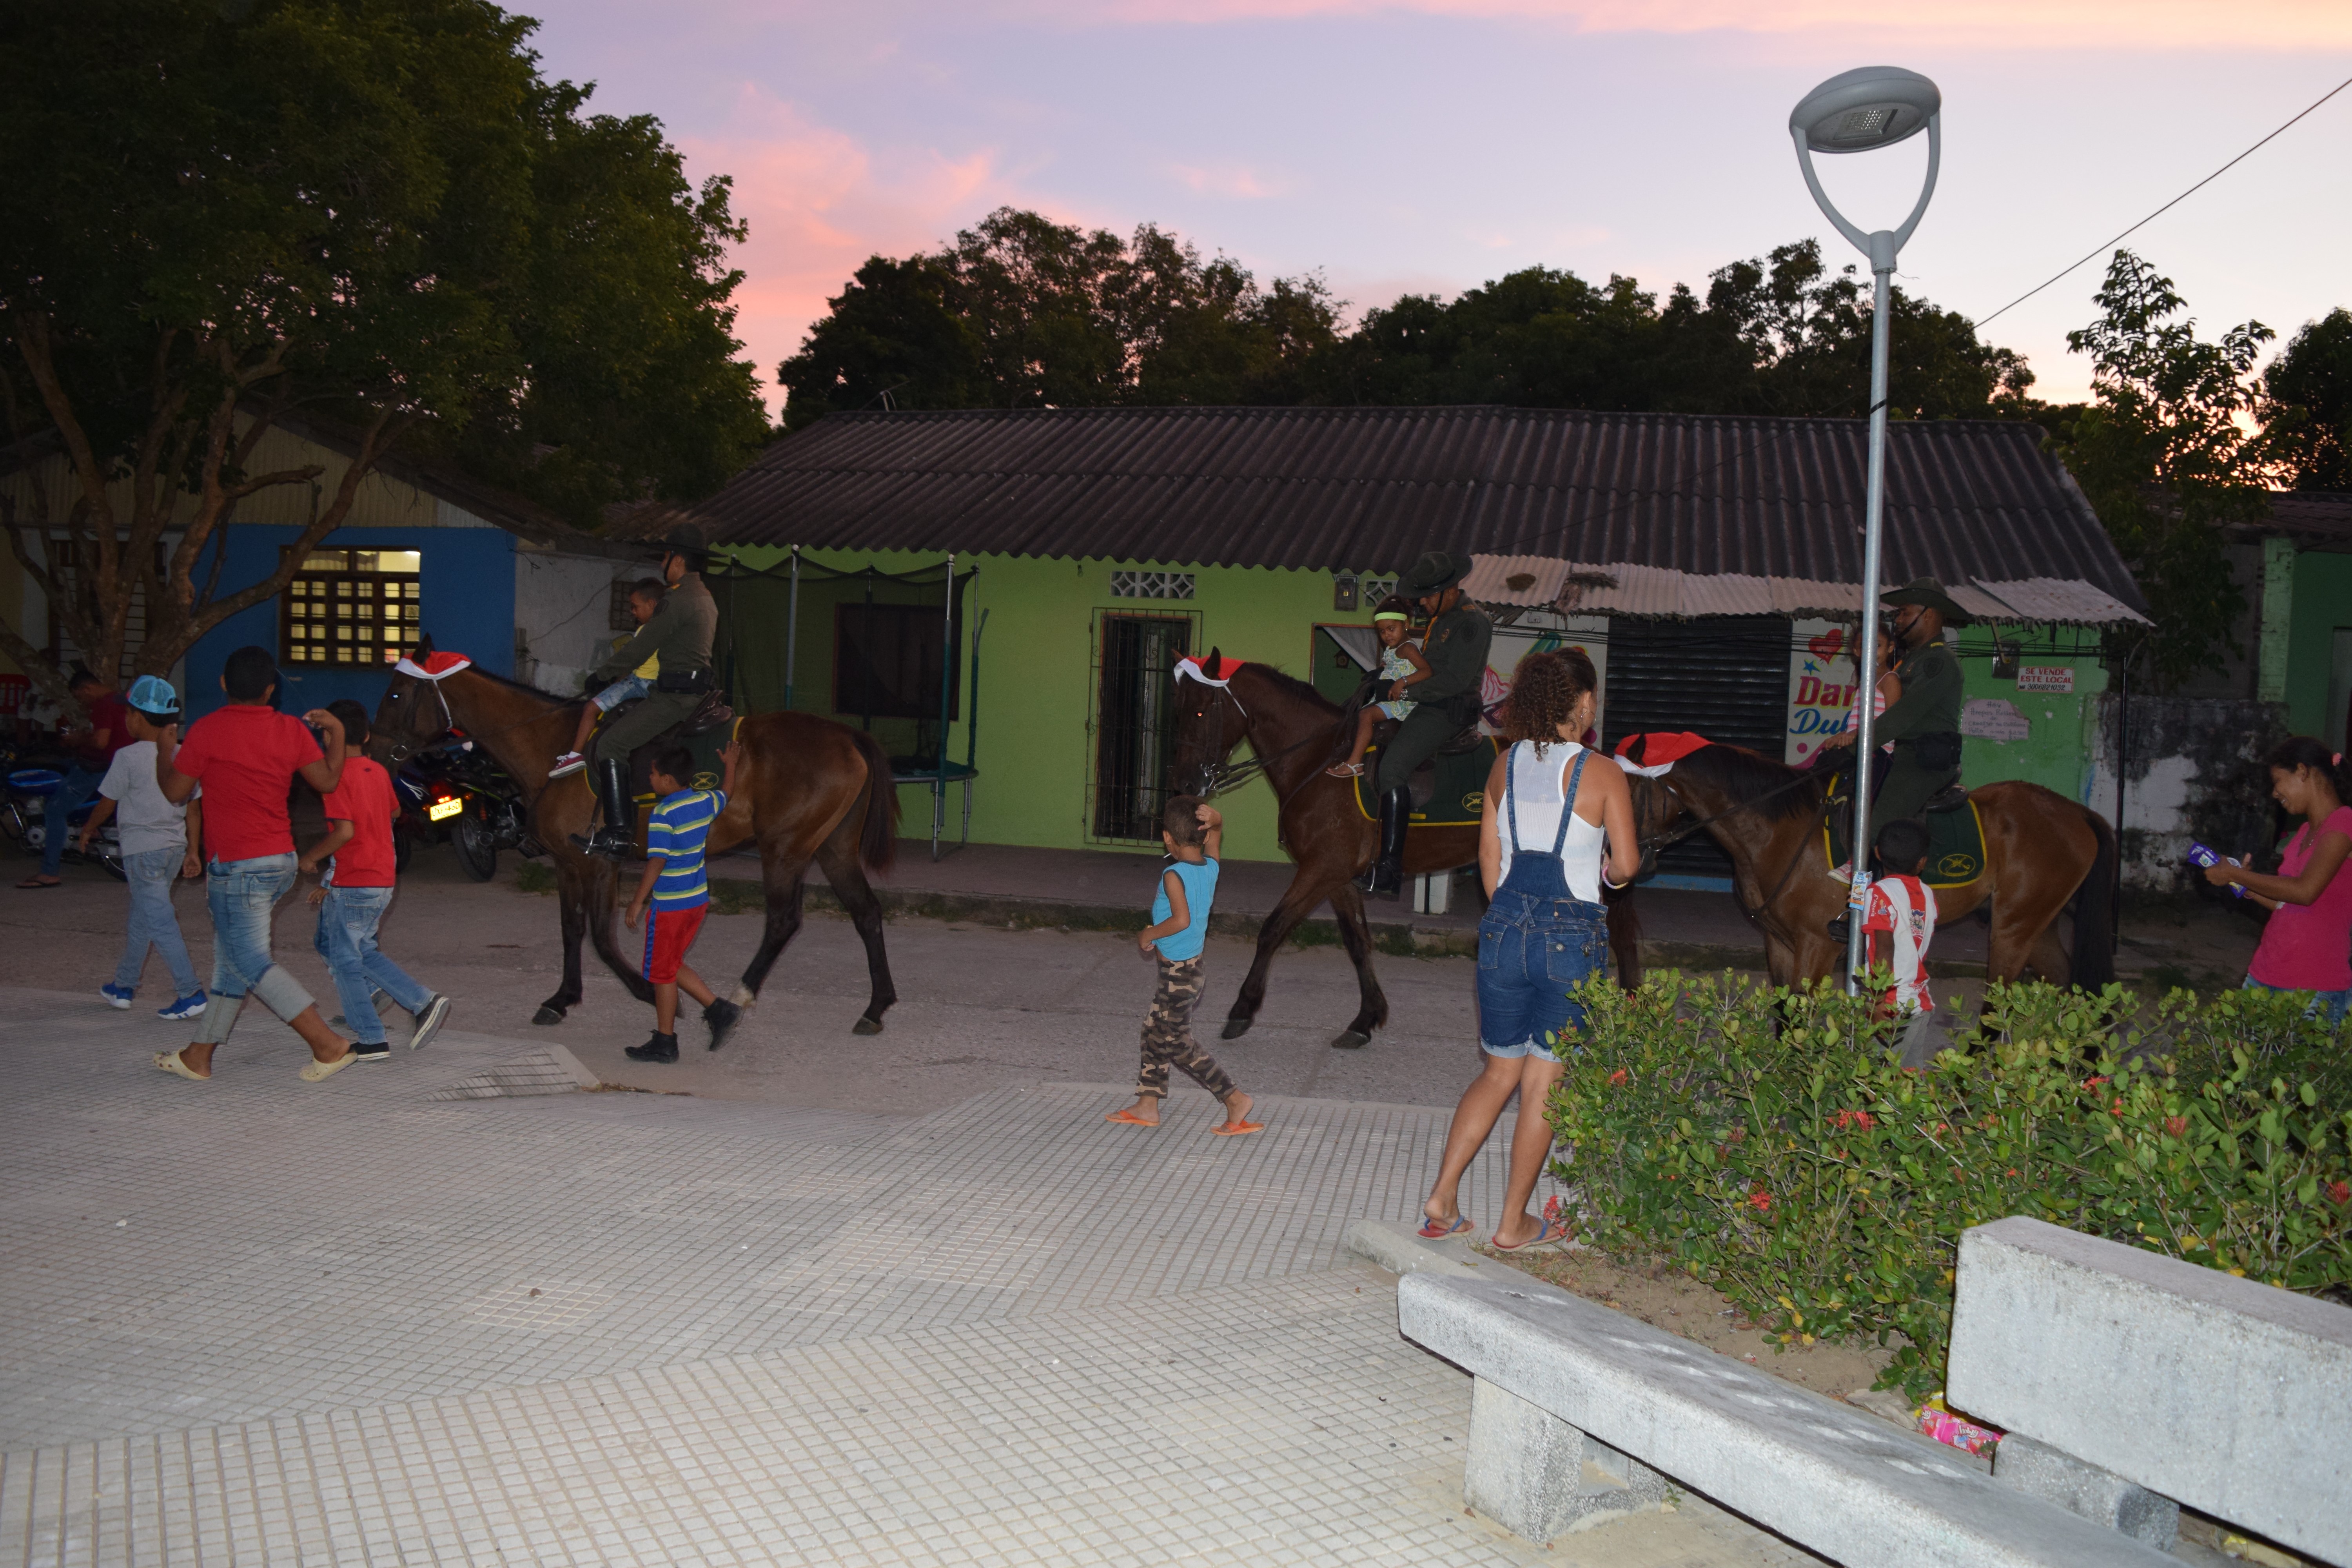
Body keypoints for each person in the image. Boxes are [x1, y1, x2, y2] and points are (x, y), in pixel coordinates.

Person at [1419, 649, 1637, 1250]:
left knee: (1497, 1072)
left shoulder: (1503, 765)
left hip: (1503, 929)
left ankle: (1443, 1197)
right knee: (1544, 1085)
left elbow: (1490, 864)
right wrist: (1606, 880)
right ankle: (1514, 1224)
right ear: (1585, 703)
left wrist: (1512, 918)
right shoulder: (1603, 773)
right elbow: (1626, 865)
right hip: (1571, 939)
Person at [151, 645, 360, 1083]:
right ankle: (198, 1056)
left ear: (225, 683)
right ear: (271, 689)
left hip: (237, 868)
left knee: (249, 961)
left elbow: (175, 792)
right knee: (231, 963)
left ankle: (328, 1043)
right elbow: (327, 779)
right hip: (280, 861)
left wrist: (164, 749)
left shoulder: (207, 731)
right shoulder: (289, 729)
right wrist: (338, 731)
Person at [299, 700, 453, 1062]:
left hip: (355, 880)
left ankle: (374, 1035)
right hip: (382, 878)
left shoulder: (335, 777)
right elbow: (395, 811)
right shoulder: (377, 771)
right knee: (355, 950)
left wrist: (310, 857)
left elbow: (343, 831)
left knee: (344, 960)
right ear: (367, 736)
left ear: (327, 738)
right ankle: (408, 1002)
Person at [1104, 797, 1262, 1135]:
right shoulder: (1211, 867)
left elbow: (1181, 920)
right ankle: (1148, 1105)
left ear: (1166, 838)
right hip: (1184, 973)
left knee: (1176, 1042)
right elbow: (1216, 834)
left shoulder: (1173, 875)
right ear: (1204, 836)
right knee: (1153, 1031)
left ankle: (1234, 1098)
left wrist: (1149, 933)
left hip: (1180, 974)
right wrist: (1217, 819)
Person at [579, 529, 720, 859]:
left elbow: (643, 646)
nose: (662, 564)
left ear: (679, 560)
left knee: (610, 743)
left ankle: (618, 833)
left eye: (664, 557)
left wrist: (601, 676)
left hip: (674, 698)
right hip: (699, 691)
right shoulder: (705, 597)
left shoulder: (678, 599)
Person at [74, 675, 207, 1019]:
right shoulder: (181, 754)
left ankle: (190, 992)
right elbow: (194, 807)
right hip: (173, 850)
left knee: (160, 921)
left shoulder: (128, 756)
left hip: (143, 851)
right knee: (143, 919)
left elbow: (108, 802)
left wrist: (89, 828)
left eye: (128, 713)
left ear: (136, 717)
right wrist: (193, 850)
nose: (126, 720)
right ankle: (124, 986)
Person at [1364, 550, 1493, 898]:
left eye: (1427, 595)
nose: (1421, 602)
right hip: (1427, 702)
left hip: (1445, 711)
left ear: (1450, 590)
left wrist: (1405, 689)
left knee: (1391, 770)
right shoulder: (1444, 616)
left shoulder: (1470, 622)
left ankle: (1390, 869)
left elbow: (1452, 680)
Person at [1821, 579, 1967, 882]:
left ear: (1927, 615)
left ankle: (1859, 912)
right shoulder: (1911, 660)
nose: (1898, 620)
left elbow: (1901, 717)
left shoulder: (1937, 662)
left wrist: (1853, 748)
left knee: (1875, 829)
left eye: (1903, 613)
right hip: (1899, 753)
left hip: (1922, 760)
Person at [2203, 739, 2352, 1026]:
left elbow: (2306, 892)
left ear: (2302, 772)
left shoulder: (2344, 823)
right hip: (2266, 973)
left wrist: (2237, 875)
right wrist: (2241, 885)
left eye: (2278, 781)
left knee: (2299, 1072)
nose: (2275, 793)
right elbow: (2286, 903)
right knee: (2249, 1070)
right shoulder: (2306, 831)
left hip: (2315, 987)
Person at [622, 742, 744, 1062]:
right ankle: (720, 1011)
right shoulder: (705, 800)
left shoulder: (662, 814)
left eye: (652, 774)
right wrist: (730, 763)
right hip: (697, 901)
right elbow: (727, 792)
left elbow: (656, 862)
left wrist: (638, 901)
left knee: (662, 972)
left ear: (666, 780)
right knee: (672, 963)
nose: (649, 778)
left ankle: (666, 1042)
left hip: (670, 906)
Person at [20, 665, 130, 889]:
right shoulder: (122, 700)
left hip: (98, 768)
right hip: (119, 764)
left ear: (87, 689)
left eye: (79, 696)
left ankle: (49, 871)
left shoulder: (104, 704)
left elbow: (101, 742)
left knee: (54, 810)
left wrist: (79, 740)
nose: (81, 701)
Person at [550, 578, 666, 779]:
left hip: (642, 683)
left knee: (590, 708)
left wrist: (602, 676)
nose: (633, 612)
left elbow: (630, 660)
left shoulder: (648, 630)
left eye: (635, 607)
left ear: (652, 604)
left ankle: (575, 755)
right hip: (653, 682)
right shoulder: (667, 627)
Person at [1858, 818, 1943, 1068]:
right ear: (1922, 863)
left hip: (1892, 1006)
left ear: (1877, 852)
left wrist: (1879, 1002)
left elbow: (1885, 950)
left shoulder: (1880, 892)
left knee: (1877, 1082)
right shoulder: (1928, 893)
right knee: (1908, 1080)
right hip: (1919, 1002)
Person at [1327, 597, 1432, 779]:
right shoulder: (1393, 649)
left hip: (1403, 702)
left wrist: (1402, 682)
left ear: (1406, 624)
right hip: (1387, 697)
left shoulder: (1408, 648)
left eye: (1392, 629)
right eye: (1382, 631)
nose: (1387, 635)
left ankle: (1355, 763)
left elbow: (1427, 671)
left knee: (1366, 715)